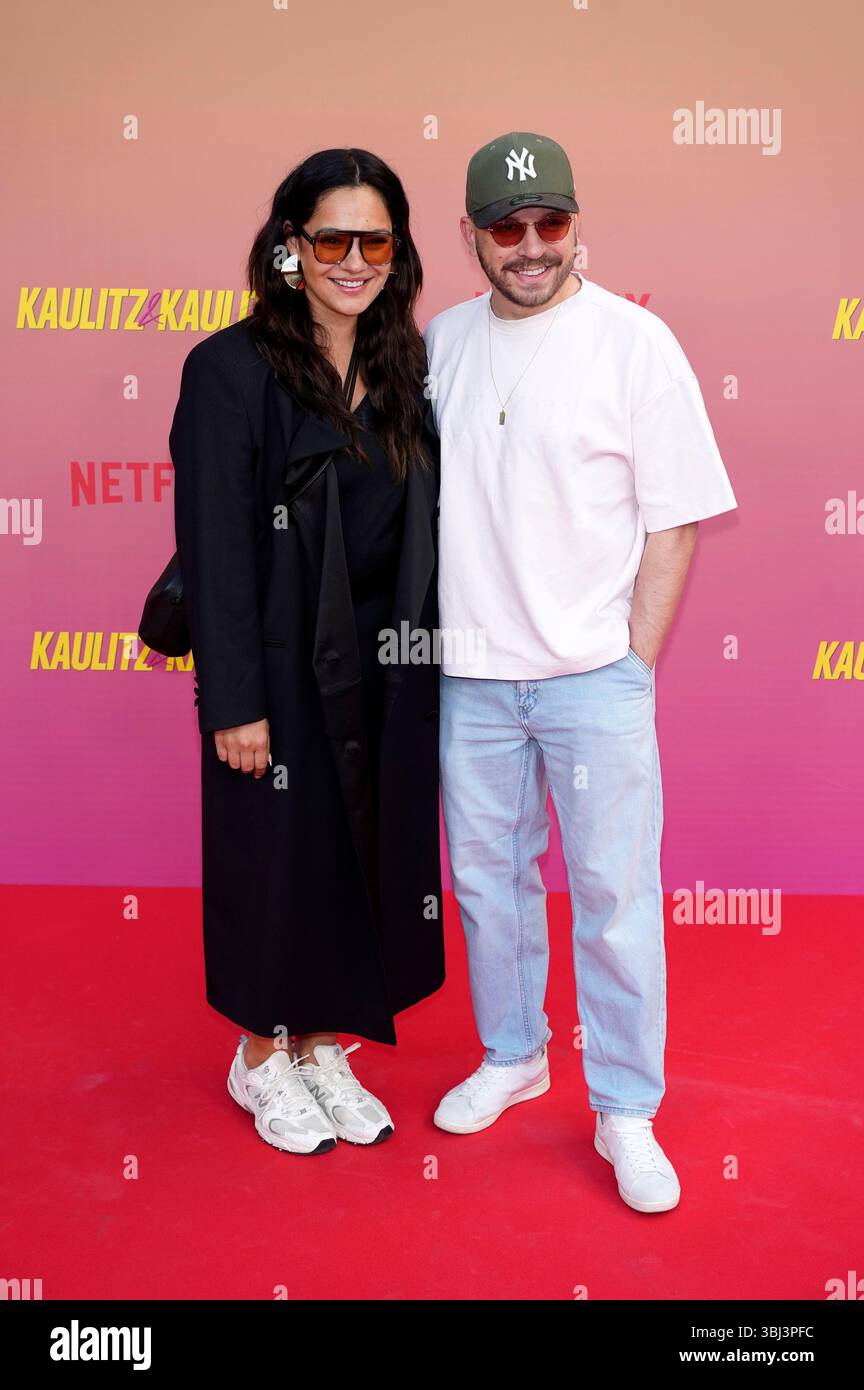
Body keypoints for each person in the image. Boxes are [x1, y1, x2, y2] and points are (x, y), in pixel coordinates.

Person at [423, 130, 737, 1211]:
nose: (530, 246)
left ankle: (625, 1106)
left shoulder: (634, 344)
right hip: (468, 677)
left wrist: (628, 664)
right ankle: (514, 1054)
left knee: (612, 894)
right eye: (505, 229)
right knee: (485, 885)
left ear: (575, 225)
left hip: (594, 677)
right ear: (470, 237)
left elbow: (677, 520)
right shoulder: (440, 343)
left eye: (549, 223)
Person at [169, 148, 444, 1156]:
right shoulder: (229, 370)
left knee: (357, 857)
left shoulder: (404, 367)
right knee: (276, 859)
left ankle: (321, 1044)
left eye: (377, 239)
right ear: (290, 247)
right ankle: (257, 1055)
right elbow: (215, 548)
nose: (354, 259)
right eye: (332, 238)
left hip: (384, 665)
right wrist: (232, 699)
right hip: (277, 665)